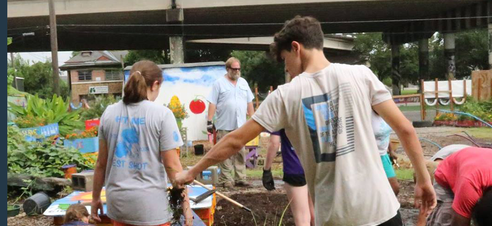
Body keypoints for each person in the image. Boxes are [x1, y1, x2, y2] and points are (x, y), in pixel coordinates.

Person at [176, 16, 436, 226]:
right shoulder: (362, 75)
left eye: (285, 59)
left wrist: (192, 171)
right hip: (383, 211)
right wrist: (423, 180)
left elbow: (234, 141)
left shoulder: (285, 95)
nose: (286, 68)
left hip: (336, 218)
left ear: (296, 48)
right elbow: (405, 129)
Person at [91, 60, 192, 226]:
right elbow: (173, 168)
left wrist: (95, 199)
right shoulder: (162, 115)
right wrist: (186, 208)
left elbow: (101, 164)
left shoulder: (109, 113)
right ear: (155, 85)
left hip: (118, 205)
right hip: (151, 208)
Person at [423, 147, 492, 226]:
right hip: (450, 169)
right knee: (445, 220)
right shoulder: (469, 186)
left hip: (481, 162)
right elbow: (459, 223)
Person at [206, 57, 255, 188]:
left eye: (239, 68)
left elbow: (249, 102)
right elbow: (212, 102)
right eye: (234, 69)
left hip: (241, 125)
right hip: (224, 124)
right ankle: (226, 179)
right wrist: (209, 121)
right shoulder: (219, 83)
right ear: (228, 69)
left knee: (240, 151)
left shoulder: (243, 82)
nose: (237, 71)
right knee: (224, 151)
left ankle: (240, 178)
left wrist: (253, 118)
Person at [263, 130, 315, 226]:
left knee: (302, 219)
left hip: (295, 168)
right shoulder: (318, 114)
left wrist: (267, 170)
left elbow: (274, 143)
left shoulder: (282, 114)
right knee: (315, 215)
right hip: (316, 167)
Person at [371, 111, 400, 196]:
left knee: (394, 188)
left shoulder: (386, 112)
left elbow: (385, 134)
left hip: (383, 156)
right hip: (369, 157)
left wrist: (391, 151)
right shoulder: (366, 115)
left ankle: (391, 208)